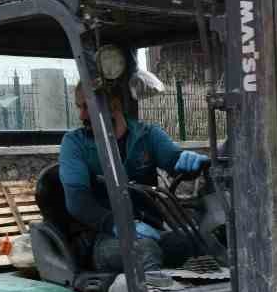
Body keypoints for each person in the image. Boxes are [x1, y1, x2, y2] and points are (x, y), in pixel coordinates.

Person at [59, 77, 209, 273]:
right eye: (79, 108)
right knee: (144, 250)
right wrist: (121, 226)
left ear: (113, 106)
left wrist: (190, 161)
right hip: (103, 237)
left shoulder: (147, 135)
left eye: (86, 107)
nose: (81, 115)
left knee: (199, 240)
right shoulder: (75, 143)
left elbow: (174, 161)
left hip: (151, 230)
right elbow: (77, 201)